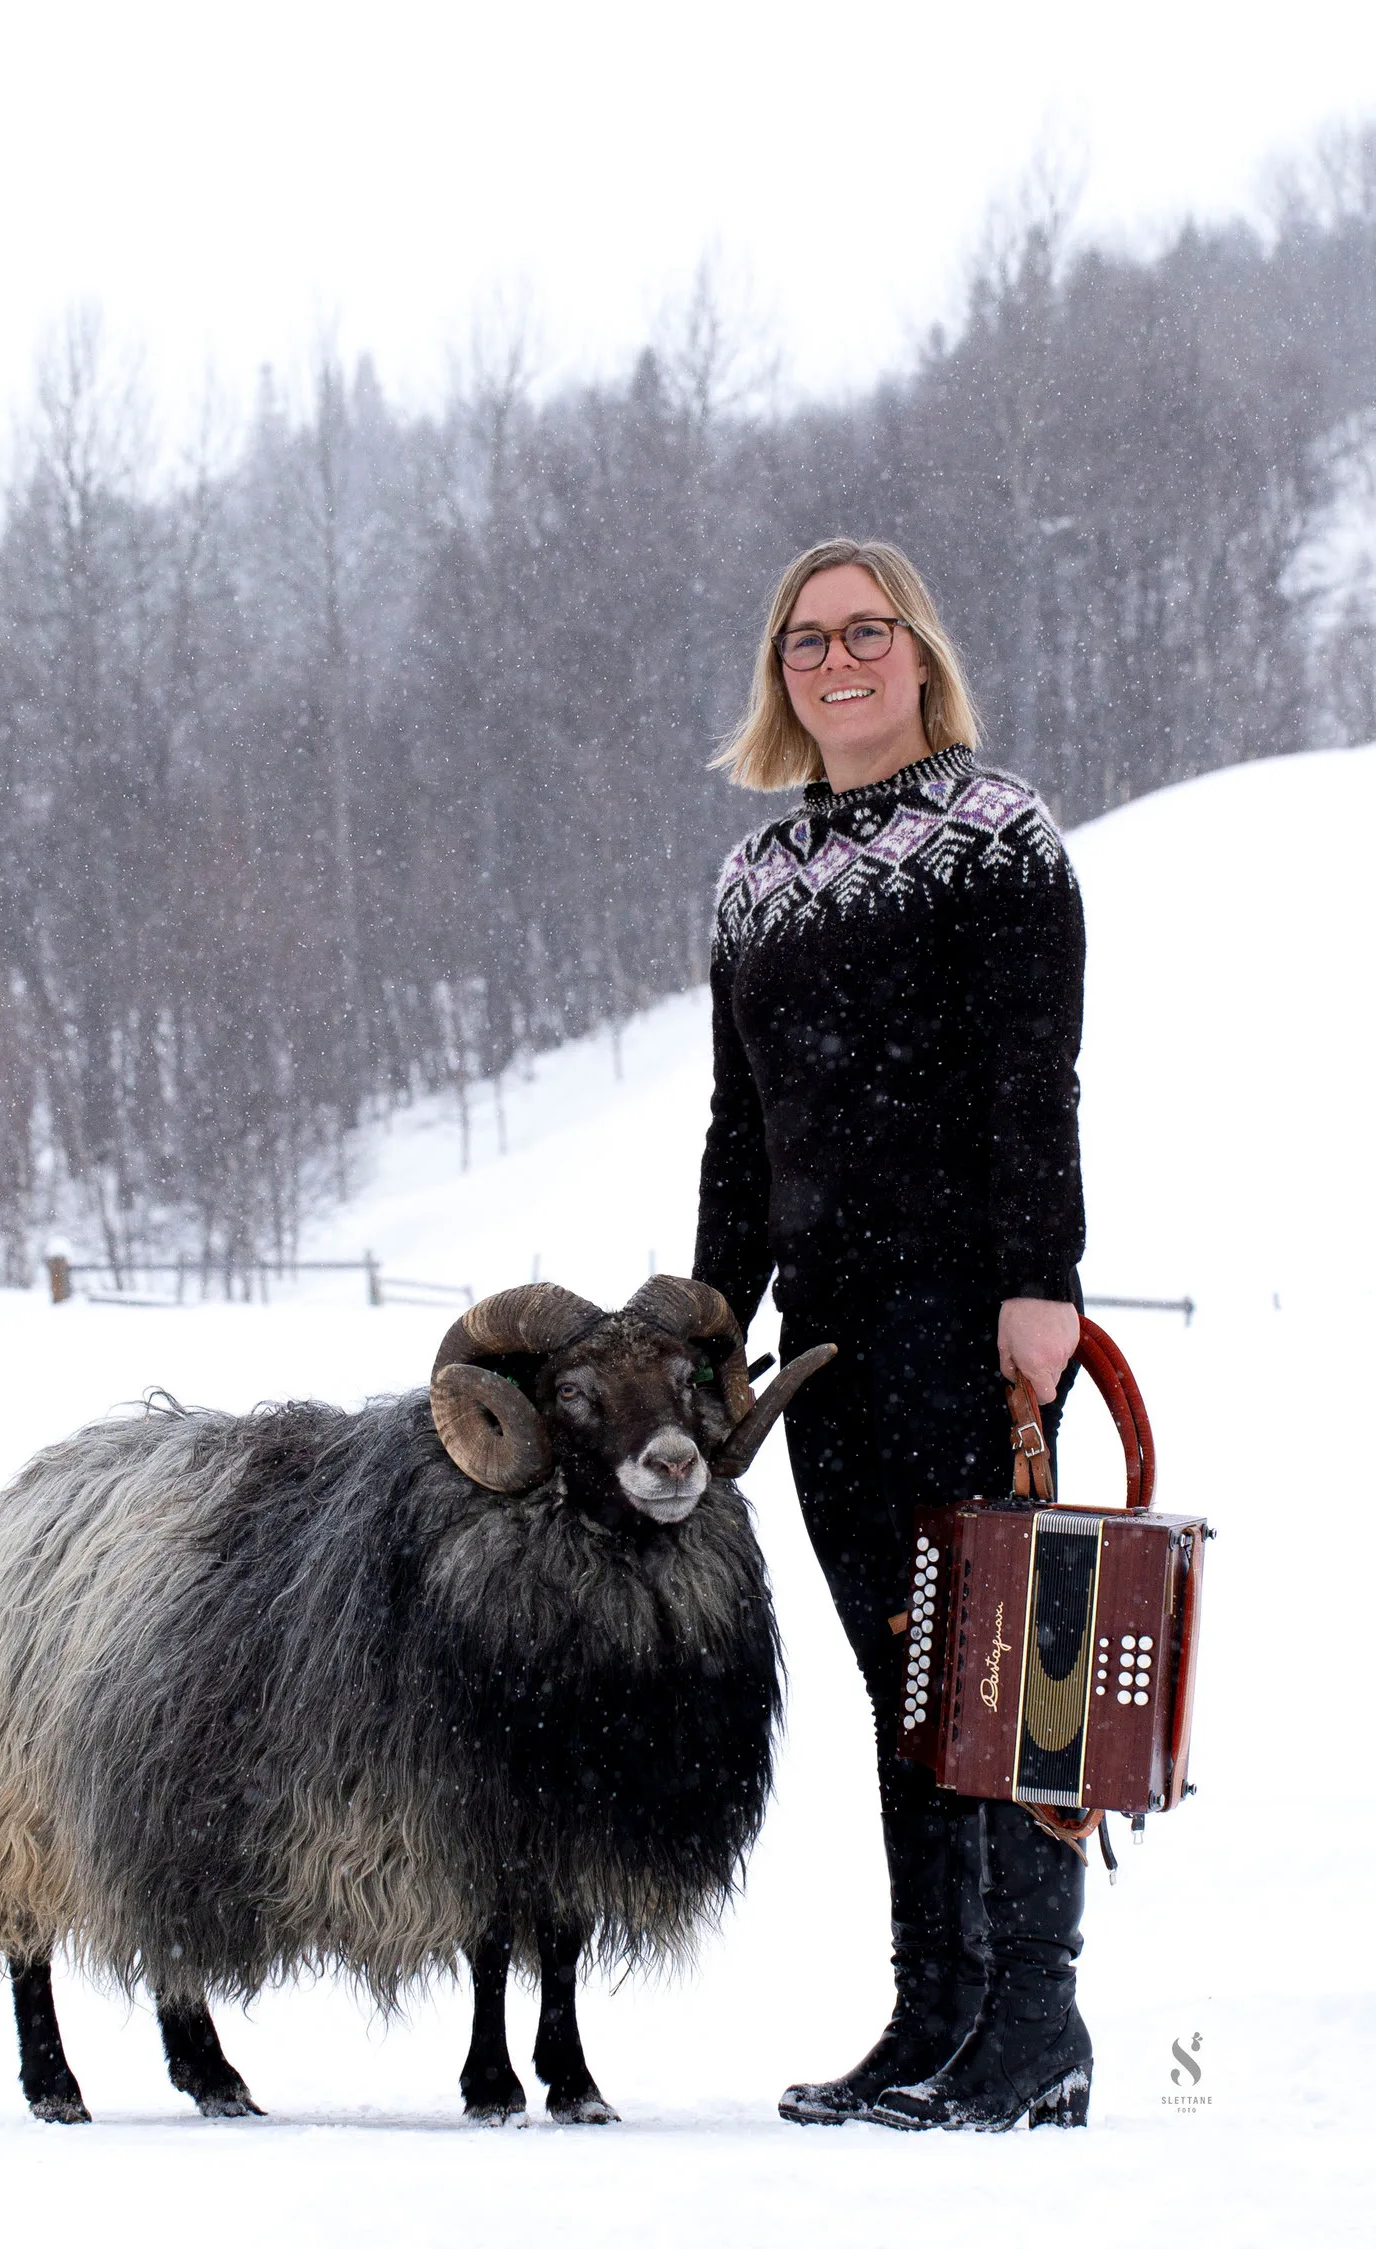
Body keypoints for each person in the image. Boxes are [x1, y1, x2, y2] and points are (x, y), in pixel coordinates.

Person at [692, 538, 1091, 2133]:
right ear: (779, 677)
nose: (839, 661)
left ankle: (1035, 2031)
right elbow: (743, 1133)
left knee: (1016, 1670)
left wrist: (1041, 1281)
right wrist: (713, 1325)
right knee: (907, 1682)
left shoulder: (1000, 838)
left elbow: (1029, 1079)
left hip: (972, 1311)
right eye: (806, 642)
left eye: (868, 633)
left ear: (919, 653)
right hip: (827, 1339)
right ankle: (934, 2015)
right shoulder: (753, 886)